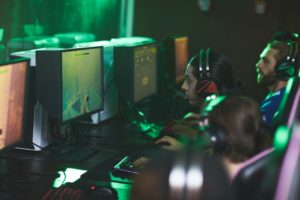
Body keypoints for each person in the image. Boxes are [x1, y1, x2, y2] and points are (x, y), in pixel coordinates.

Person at [256, 40, 299, 126]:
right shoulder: (276, 97)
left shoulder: (276, 105)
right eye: (260, 59)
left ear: (283, 68)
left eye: (266, 61)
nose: (258, 65)